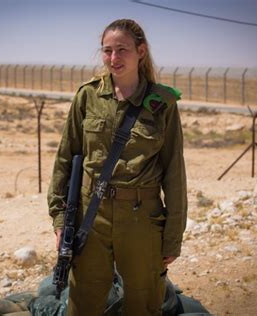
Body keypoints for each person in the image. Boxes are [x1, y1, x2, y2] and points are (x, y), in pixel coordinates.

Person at [47, 19, 187, 315]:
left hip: (141, 219)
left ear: (141, 51)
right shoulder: (88, 96)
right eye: (107, 50)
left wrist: (172, 237)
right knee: (83, 300)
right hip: (90, 217)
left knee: (143, 302)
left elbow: (174, 173)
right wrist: (60, 219)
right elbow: (65, 158)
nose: (113, 58)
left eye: (121, 50)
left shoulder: (161, 103)